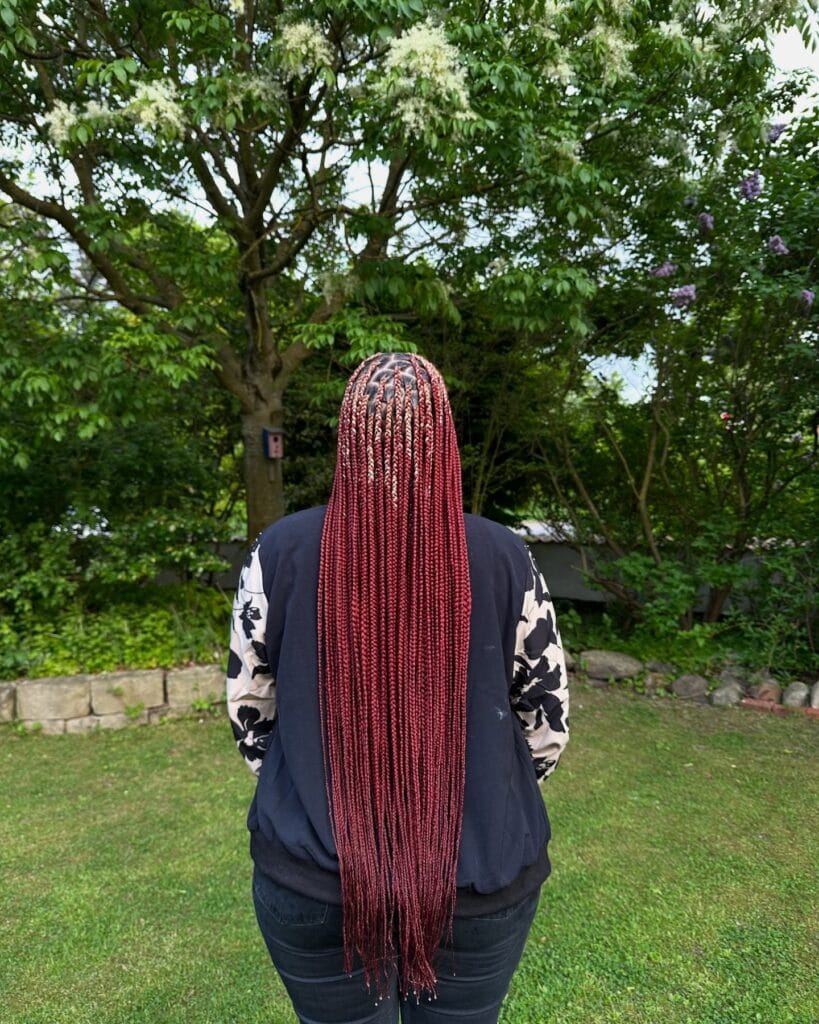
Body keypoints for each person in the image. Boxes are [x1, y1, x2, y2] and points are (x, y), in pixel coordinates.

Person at [226, 351, 570, 1024]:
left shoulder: (282, 549)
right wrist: (478, 795)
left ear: (347, 435)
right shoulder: (502, 556)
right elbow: (544, 718)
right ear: (443, 433)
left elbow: (249, 708)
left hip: (314, 874)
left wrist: (320, 794)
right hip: (479, 875)